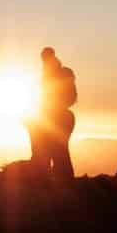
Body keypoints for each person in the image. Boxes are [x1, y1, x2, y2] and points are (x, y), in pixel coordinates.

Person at [29, 46, 77, 182]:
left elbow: (67, 97)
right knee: (57, 150)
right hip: (56, 116)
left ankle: (60, 181)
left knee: (57, 150)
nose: (43, 62)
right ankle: (60, 180)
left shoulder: (58, 74)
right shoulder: (50, 74)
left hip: (57, 117)